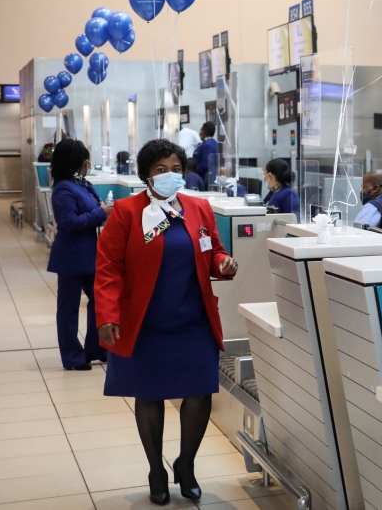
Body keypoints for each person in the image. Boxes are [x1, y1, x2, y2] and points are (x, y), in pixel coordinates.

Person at [95, 139, 238, 506]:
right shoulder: (127, 212)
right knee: (149, 395)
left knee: (199, 394)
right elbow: (108, 268)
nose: (170, 175)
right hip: (145, 321)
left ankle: (186, 465)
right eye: (161, 169)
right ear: (146, 174)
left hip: (193, 320)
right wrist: (107, 315)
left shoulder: (198, 208)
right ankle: (155, 470)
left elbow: (213, 249)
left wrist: (223, 262)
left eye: (176, 168)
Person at [47, 139, 111, 370]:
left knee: (99, 302)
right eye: (85, 159)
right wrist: (100, 212)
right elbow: (69, 222)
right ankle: (73, 357)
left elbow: (96, 207)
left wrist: (102, 209)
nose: (88, 163)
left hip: (90, 254)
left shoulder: (81, 184)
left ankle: (98, 348)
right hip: (71, 257)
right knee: (68, 308)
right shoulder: (63, 189)